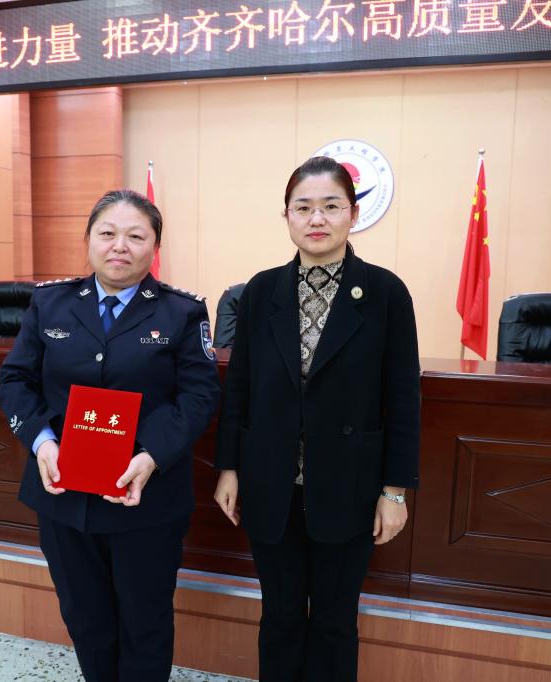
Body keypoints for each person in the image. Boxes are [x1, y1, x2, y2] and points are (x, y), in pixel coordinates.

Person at [0, 189, 221, 682]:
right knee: (85, 619)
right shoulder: (49, 303)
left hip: (148, 497)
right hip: (63, 495)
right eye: (108, 233)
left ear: (154, 247)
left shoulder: (182, 312)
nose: (120, 245)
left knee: (145, 622)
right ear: (88, 240)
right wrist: (41, 441)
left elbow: (199, 397)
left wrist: (151, 455)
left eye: (136, 236)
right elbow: (14, 381)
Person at [213, 156, 420, 681]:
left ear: (353, 214)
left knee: (334, 621)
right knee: (280, 617)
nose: (317, 219)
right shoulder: (261, 291)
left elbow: (403, 399)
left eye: (331, 206)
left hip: (349, 484)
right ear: (286, 215)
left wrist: (395, 491)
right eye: (303, 207)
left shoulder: (386, 293)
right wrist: (229, 468)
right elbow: (239, 387)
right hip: (271, 482)